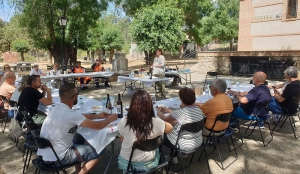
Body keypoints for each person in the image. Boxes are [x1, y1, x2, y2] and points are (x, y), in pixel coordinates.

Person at [37, 83, 117, 174]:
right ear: (74, 97)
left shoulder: (56, 109)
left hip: (46, 155)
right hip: (59, 157)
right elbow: (98, 126)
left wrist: (97, 116)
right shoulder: (70, 114)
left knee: (78, 137)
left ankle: (78, 170)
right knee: (100, 151)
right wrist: (110, 119)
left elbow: (78, 116)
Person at [117, 90, 173, 173]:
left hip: (127, 163)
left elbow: (122, 139)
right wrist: (156, 118)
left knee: (124, 139)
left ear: (132, 105)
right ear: (150, 105)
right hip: (149, 163)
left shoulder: (124, 121)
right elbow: (170, 129)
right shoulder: (157, 122)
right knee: (157, 148)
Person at [157, 87, 205, 164]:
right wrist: (168, 110)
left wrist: (159, 112)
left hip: (182, 144)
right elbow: (178, 115)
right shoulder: (199, 110)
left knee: (164, 132)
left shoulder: (180, 113)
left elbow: (164, 119)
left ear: (181, 99)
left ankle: (161, 160)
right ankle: (173, 156)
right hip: (198, 141)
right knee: (176, 130)